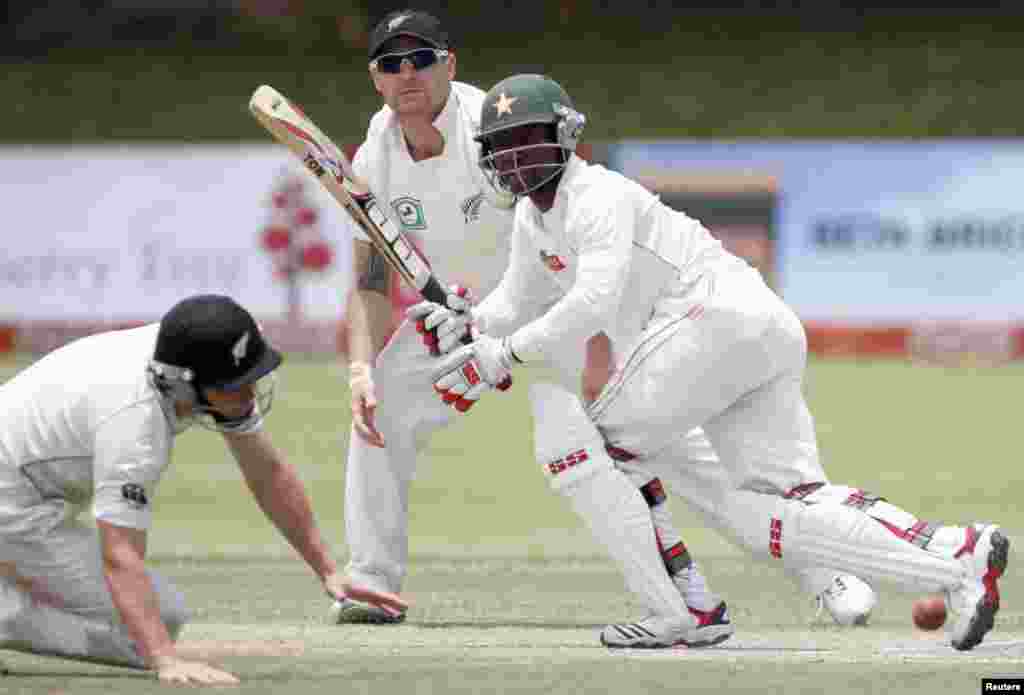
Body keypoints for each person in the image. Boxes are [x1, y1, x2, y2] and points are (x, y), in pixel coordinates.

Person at [424, 73, 1008, 651]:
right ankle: (957, 555)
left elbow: (590, 302)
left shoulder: (598, 195)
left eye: (529, 140)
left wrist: (498, 357)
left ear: (567, 136)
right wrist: (470, 324)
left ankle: (684, 608)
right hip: (752, 327)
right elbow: (517, 299)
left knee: (594, 446)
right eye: (503, 145)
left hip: (709, 321)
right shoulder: (534, 219)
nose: (517, 158)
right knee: (779, 508)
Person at [337, 8, 873, 636]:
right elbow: (371, 279)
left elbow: (566, 235)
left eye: (421, 59)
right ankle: (372, 581)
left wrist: (551, 348)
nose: (408, 74)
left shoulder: (494, 125)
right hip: (469, 318)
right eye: (391, 63)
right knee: (382, 406)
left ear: (448, 65)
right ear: (375, 77)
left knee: (653, 451)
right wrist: (359, 366)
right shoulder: (372, 156)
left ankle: (815, 573)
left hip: (565, 309)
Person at [0, 294, 405, 685]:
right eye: (235, 385)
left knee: (156, 618)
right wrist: (163, 659)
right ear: (184, 384)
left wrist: (328, 570)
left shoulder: (194, 352)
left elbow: (267, 472)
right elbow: (120, 554)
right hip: (11, 501)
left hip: (30, 487)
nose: (248, 394)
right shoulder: (134, 428)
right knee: (154, 624)